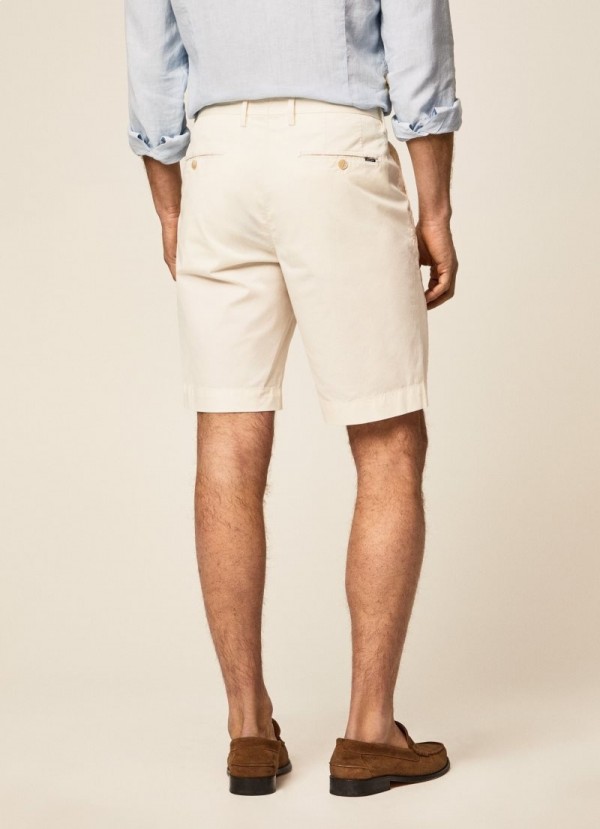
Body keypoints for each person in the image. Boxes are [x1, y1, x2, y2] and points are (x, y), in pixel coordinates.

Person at [124, 0, 462, 798]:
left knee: (227, 437)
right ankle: (370, 731)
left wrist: (169, 206)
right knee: (387, 439)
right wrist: (436, 206)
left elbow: (151, 58)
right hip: (336, 151)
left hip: (217, 163)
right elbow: (417, 39)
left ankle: (248, 727)